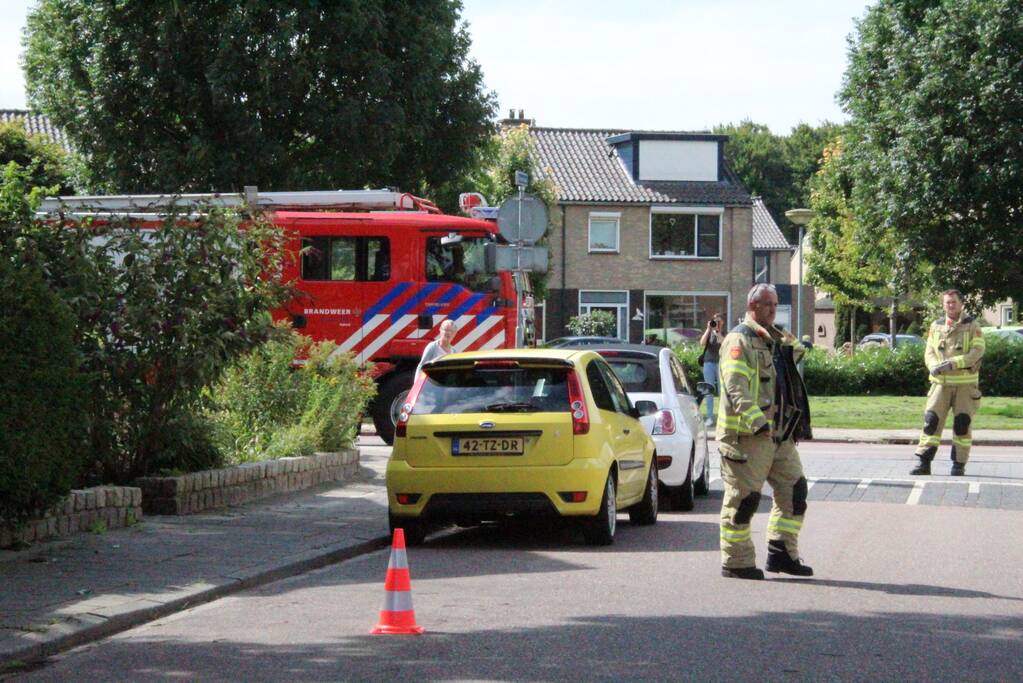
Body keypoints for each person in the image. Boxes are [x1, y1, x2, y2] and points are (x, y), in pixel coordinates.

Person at [717, 284, 814, 580]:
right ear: (752, 306)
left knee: (794, 491)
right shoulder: (739, 340)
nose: (773, 309)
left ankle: (782, 553)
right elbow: (735, 386)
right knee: (743, 501)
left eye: (775, 304)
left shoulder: (774, 339)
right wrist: (756, 421)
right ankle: (736, 562)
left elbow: (795, 363)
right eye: (767, 304)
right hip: (748, 437)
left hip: (779, 435)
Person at [910, 289, 985, 476]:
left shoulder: (972, 326)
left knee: (962, 424)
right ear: (943, 305)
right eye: (947, 302)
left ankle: (959, 465)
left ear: (961, 303)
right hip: (940, 385)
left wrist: (954, 363)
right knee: (931, 422)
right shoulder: (936, 326)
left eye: (953, 302)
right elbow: (929, 352)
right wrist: (934, 365)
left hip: (965, 387)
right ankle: (923, 462)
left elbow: (977, 353)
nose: (950, 305)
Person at [698, 313, 724, 427]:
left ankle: (722, 417)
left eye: (718, 321)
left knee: (722, 391)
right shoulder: (709, 332)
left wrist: (718, 332)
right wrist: (709, 329)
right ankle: (709, 417)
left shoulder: (724, 332)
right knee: (709, 390)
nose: (716, 323)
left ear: (722, 322)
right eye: (714, 321)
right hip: (708, 363)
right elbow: (702, 343)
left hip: (720, 363)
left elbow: (723, 342)